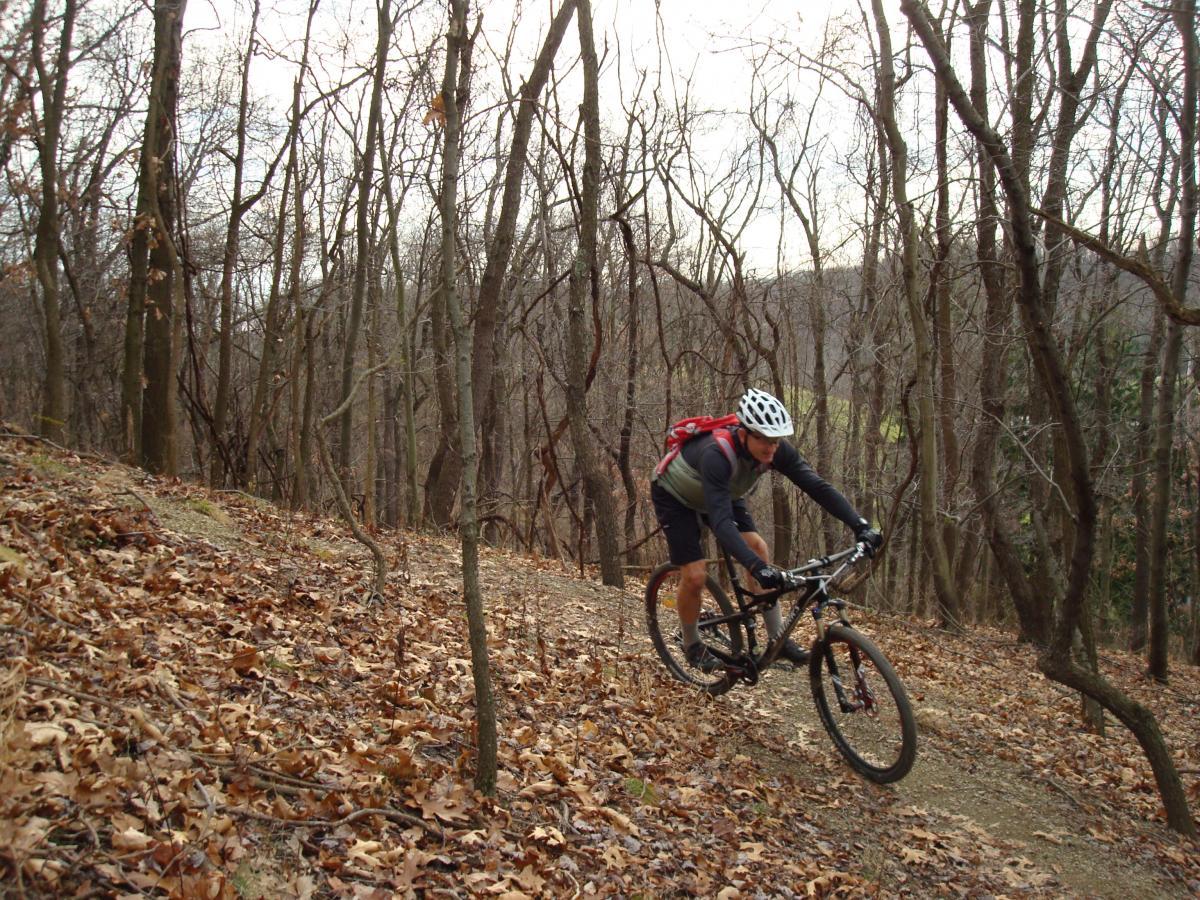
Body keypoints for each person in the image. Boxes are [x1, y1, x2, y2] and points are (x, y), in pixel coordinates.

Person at [650, 388, 882, 671]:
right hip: (676, 496)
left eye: (777, 440)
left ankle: (777, 640)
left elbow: (816, 486)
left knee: (758, 547)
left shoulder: (775, 451)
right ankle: (692, 643)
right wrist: (756, 567)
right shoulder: (716, 454)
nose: (772, 448)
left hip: (722, 493)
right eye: (765, 440)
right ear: (745, 433)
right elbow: (721, 523)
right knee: (696, 574)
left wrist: (859, 525)